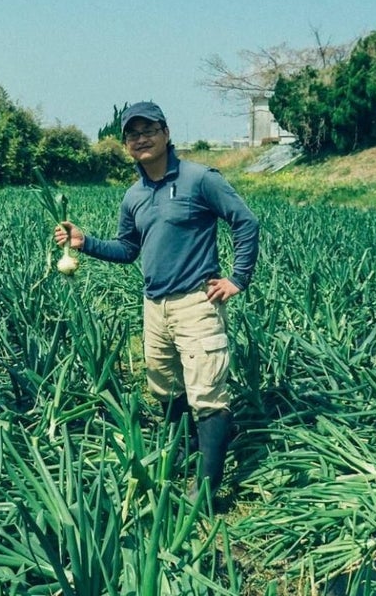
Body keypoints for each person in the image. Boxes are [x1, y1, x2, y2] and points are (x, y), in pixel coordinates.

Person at [54, 102, 259, 500]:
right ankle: (193, 445)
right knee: (165, 389)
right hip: (155, 305)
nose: (140, 139)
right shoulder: (134, 196)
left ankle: (207, 489)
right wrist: (84, 243)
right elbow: (129, 248)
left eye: (148, 130)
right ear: (126, 143)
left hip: (197, 301)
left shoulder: (201, 179)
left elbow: (245, 221)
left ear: (166, 133)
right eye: (132, 134)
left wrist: (238, 279)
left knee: (208, 392)